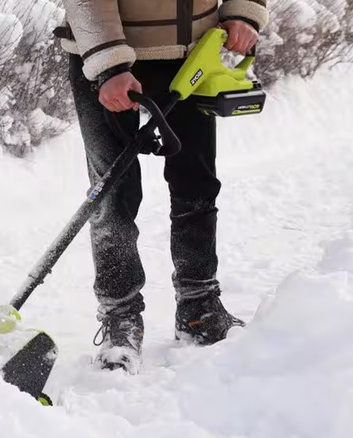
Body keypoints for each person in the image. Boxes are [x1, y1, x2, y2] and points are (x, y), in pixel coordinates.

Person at [54, 0, 269, 373]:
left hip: (192, 56)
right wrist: (109, 64)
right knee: (112, 194)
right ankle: (120, 318)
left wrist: (243, 11)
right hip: (105, 62)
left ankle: (199, 306)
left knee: (196, 185)